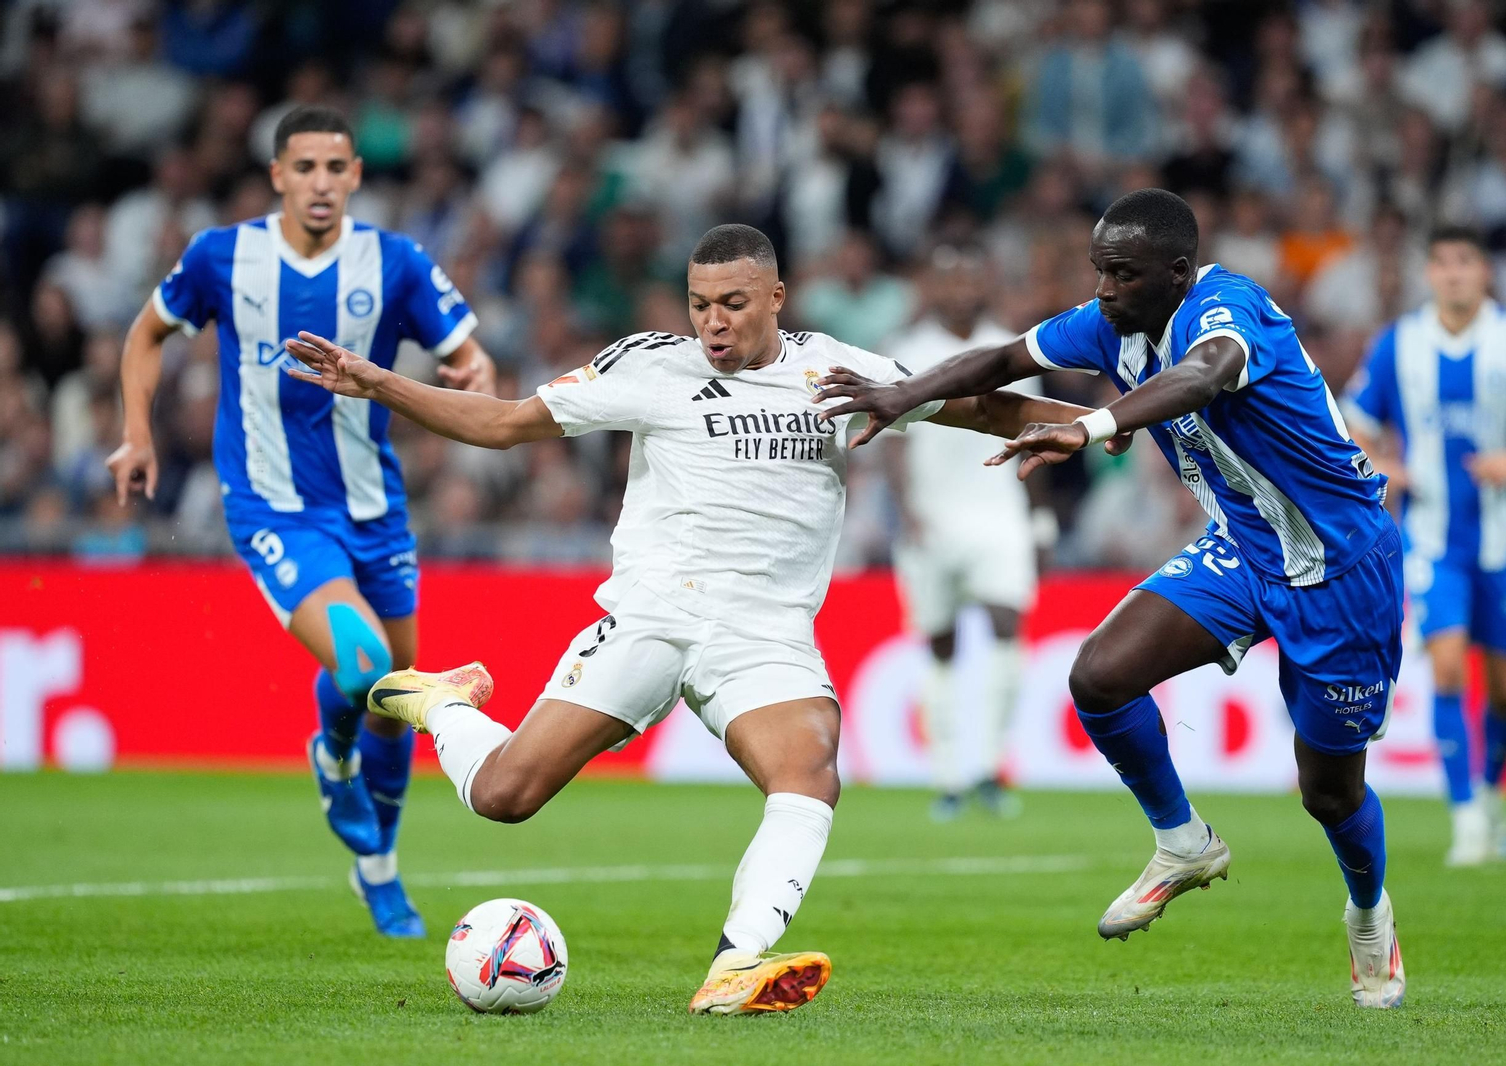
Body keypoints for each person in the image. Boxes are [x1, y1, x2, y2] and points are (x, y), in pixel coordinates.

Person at [281, 224, 1114, 1016]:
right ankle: (444, 702)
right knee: (504, 796)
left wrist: (1103, 423)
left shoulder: (838, 367)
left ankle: (735, 962)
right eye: (700, 304)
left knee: (809, 770)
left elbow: (981, 407)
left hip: (766, 634)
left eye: (735, 304)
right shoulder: (648, 366)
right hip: (652, 614)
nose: (714, 323)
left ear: (778, 296)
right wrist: (379, 381)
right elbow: (503, 424)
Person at [816, 189, 1408, 1009]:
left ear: (1175, 272)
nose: (1103, 290)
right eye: (1098, 271)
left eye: (1121, 274)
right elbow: (1002, 362)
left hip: (1342, 568)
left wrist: (1089, 427)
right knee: (1099, 676)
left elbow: (1204, 377)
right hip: (1244, 549)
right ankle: (1183, 842)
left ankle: (1369, 910)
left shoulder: (1230, 309)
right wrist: (900, 396)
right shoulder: (1111, 322)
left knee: (1329, 794)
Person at [106, 106, 498, 938]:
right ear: (277, 174)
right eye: (305, 167)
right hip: (272, 505)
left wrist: (473, 373)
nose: (321, 183)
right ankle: (331, 757)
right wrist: (138, 433)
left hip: (376, 508)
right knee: (365, 664)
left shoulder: (394, 261)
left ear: (356, 176)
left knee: (396, 703)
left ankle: (379, 869)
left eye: (335, 168)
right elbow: (146, 335)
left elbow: (467, 354)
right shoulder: (224, 257)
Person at [1343, 226, 1506, 866]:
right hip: (1431, 538)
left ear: (1485, 273)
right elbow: (1350, 424)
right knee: (1447, 665)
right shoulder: (1399, 345)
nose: (1453, 274)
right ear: (1429, 273)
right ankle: (1467, 818)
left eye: (1465, 262)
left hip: (1502, 540)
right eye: (1442, 262)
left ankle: (1493, 789)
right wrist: (1388, 467)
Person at [883, 243, 1048, 821]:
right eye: (946, 278)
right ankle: (949, 776)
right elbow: (892, 442)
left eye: (967, 278)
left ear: (982, 283)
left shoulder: (1011, 349)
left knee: (1007, 628)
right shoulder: (909, 351)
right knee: (941, 645)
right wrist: (905, 511)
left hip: (998, 511)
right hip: (932, 519)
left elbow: (1037, 434)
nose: (958, 289)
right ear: (931, 285)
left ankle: (990, 767)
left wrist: (1039, 516)